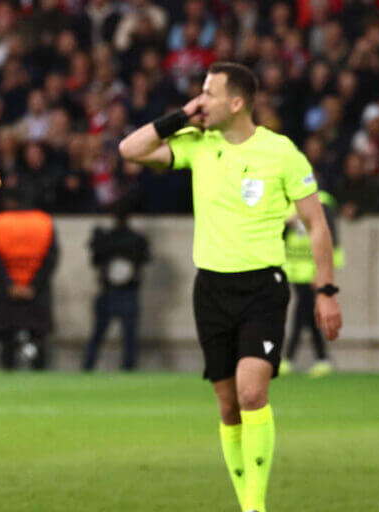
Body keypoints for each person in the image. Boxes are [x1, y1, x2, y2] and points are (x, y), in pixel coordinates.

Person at [118, 62, 342, 512]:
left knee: (252, 392)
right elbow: (129, 148)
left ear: (236, 102)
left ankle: (254, 505)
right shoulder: (199, 144)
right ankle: (246, 503)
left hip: (263, 286)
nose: (202, 99)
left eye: (210, 93)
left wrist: (326, 290)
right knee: (227, 406)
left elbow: (316, 224)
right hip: (211, 289)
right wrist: (181, 116)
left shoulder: (281, 153)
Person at [0, 191, 59, 370]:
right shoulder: (44, 222)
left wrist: (10, 286)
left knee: (7, 343)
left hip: (7, 294)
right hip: (37, 293)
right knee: (39, 339)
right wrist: (33, 286)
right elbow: (51, 258)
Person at [280, 190, 344, 377]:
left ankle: (290, 357)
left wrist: (323, 272)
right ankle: (322, 359)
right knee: (307, 312)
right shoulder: (288, 204)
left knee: (302, 312)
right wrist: (287, 224)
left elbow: (330, 235)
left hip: (314, 268)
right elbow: (277, 236)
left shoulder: (322, 202)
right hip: (294, 268)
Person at [82, 202, 150, 371]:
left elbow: (95, 259)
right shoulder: (136, 239)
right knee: (129, 337)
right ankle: (128, 368)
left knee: (98, 333)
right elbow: (144, 258)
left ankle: (88, 367)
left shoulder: (107, 238)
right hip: (127, 292)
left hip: (109, 291)